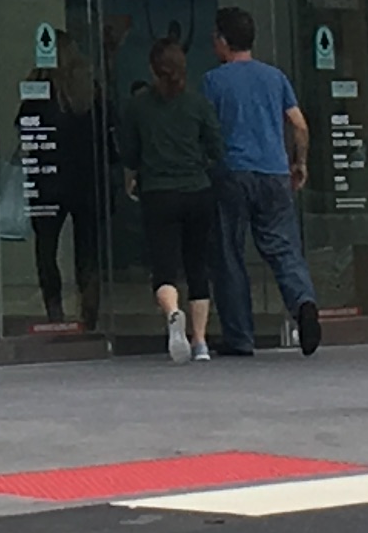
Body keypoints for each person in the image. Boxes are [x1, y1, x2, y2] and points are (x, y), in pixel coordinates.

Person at [203, 4, 321, 357]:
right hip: (275, 172)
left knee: (229, 254)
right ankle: (303, 303)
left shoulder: (213, 81)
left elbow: (207, 130)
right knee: (284, 247)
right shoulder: (275, 77)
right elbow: (299, 124)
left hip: (233, 173)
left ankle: (240, 337)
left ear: (223, 41)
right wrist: (299, 163)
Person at [115, 34, 224, 363]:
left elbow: (130, 154)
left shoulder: (138, 106)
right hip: (197, 191)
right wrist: (199, 164)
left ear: (152, 69)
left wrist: (139, 172)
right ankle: (201, 341)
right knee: (197, 267)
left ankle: (173, 312)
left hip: (158, 193)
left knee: (164, 268)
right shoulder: (198, 104)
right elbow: (217, 148)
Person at [17, 34, 106, 328]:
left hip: (48, 180)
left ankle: (54, 311)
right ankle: (89, 312)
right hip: (84, 179)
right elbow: (107, 129)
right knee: (87, 250)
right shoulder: (88, 91)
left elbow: (25, 129)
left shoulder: (39, 91)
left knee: (46, 248)